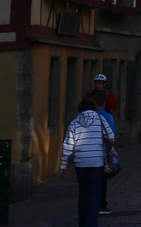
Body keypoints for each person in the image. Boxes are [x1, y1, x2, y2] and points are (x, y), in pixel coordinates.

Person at [59, 96, 114, 227]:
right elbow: (111, 137)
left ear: (81, 109)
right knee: (94, 193)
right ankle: (92, 223)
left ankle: (83, 223)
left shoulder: (74, 122)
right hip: (97, 163)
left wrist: (63, 164)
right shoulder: (100, 120)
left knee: (83, 192)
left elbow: (68, 145)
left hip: (80, 163)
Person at [89, 75, 119, 215]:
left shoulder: (108, 95)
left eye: (100, 83)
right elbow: (111, 136)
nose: (98, 85)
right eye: (97, 83)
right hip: (100, 150)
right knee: (101, 177)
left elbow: (114, 105)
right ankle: (100, 204)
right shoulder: (90, 94)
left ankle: (94, 204)